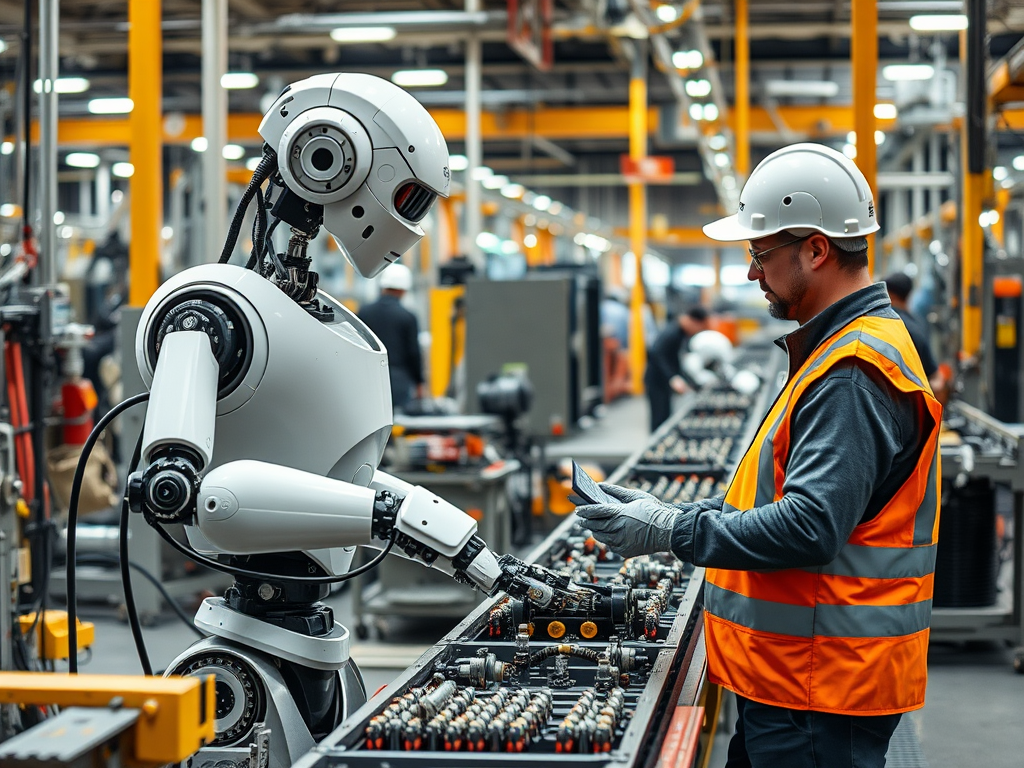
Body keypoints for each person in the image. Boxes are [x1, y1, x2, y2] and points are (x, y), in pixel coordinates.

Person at [575, 143, 942, 768]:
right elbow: (777, 496)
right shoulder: (835, 351)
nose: (751, 272)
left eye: (760, 254)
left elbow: (810, 525)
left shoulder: (852, 370)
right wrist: (672, 510)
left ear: (816, 249)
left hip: (820, 691)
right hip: (798, 682)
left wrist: (671, 529)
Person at [358, 262, 426, 412]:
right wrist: (419, 382)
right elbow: (413, 353)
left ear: (383, 286)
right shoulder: (407, 317)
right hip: (398, 380)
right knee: (395, 422)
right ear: (403, 290)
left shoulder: (364, 312)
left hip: (370, 377)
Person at [644, 305, 710, 432]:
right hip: (656, 380)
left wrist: (687, 380)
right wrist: (672, 377)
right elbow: (657, 353)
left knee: (665, 415)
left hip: (662, 380)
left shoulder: (679, 332)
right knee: (659, 417)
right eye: (699, 327)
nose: (697, 331)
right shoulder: (672, 332)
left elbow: (674, 359)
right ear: (693, 321)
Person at [884, 272, 948, 402]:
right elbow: (936, 380)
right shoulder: (915, 329)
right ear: (909, 294)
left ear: (888, 293)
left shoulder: (878, 322)